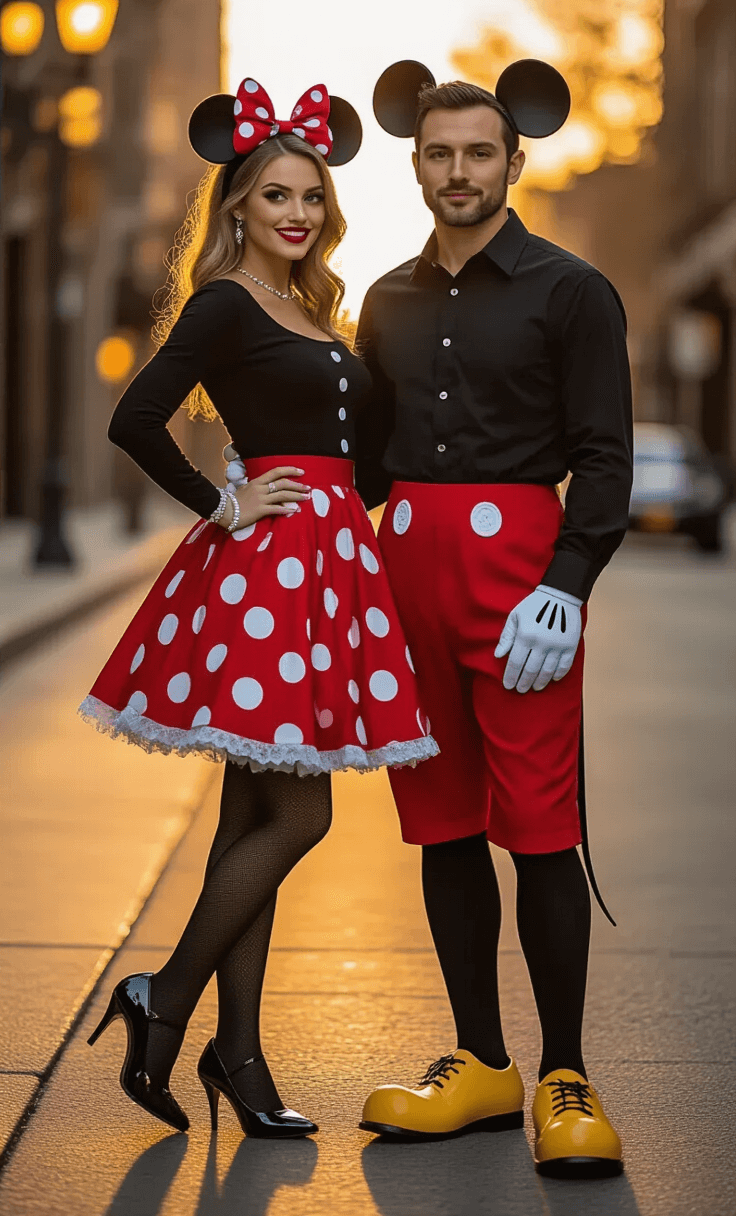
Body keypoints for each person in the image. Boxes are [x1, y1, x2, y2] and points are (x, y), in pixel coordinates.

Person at [80, 77, 439, 1140]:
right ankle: (164, 997)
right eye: (276, 194)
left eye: (312, 196)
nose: (298, 212)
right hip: (271, 572)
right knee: (302, 814)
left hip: (327, 564)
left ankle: (236, 1056)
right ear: (236, 204)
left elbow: (355, 451)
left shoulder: (313, 307)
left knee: (251, 818)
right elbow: (136, 418)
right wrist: (224, 503)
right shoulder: (226, 302)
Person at [354, 60, 633, 1177]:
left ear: (515, 160)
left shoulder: (573, 291)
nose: (458, 170)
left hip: (522, 583)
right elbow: (366, 464)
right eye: (439, 153)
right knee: (442, 821)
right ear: (415, 164)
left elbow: (603, 455)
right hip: (406, 574)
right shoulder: (384, 298)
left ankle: (565, 1074)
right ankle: (480, 1062)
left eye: (478, 152)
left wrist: (568, 580)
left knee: (540, 825)